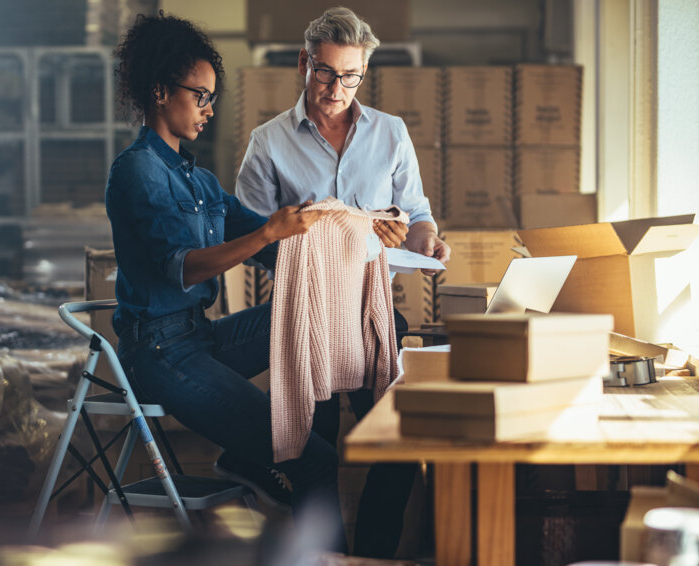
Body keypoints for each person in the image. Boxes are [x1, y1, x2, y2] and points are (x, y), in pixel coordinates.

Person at [106, 13, 346, 552]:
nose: (208, 111)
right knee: (315, 460)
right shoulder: (138, 171)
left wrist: (336, 243)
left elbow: (271, 249)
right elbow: (185, 265)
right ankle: (326, 551)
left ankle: (246, 455)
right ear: (161, 92)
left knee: (322, 314)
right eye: (200, 96)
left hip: (199, 337)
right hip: (160, 354)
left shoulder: (199, 178)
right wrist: (266, 232)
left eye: (212, 99)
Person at [235, 7, 451, 559]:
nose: (337, 88)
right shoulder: (268, 142)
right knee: (315, 450)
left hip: (371, 309)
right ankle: (326, 557)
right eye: (327, 73)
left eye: (351, 76)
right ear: (305, 63)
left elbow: (419, 214)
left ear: (364, 73)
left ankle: (373, 554)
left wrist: (424, 240)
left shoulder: (391, 133)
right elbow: (249, 237)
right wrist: (309, 238)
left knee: (400, 435)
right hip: (306, 315)